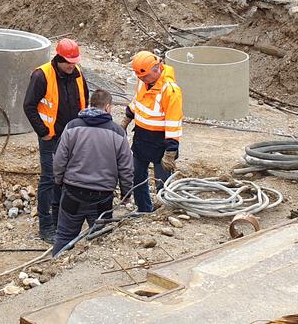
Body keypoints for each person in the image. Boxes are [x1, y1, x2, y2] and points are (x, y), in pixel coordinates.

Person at [22, 38, 89, 243]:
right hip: (51, 137)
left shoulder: (77, 74)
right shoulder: (42, 76)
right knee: (49, 179)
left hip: (72, 137)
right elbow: (29, 106)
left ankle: (61, 221)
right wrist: (43, 132)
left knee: (66, 179)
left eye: (74, 61)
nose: (72, 65)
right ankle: (46, 226)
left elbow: (85, 100)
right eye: (69, 62)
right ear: (59, 58)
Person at [52, 89, 134, 256]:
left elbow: (59, 159)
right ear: (108, 107)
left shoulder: (72, 127)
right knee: (100, 240)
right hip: (102, 197)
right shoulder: (117, 133)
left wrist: (59, 181)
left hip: (73, 193)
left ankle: (54, 274)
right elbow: (126, 167)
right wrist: (126, 194)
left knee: (64, 236)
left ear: (90, 104)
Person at [124, 50, 183, 213]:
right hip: (142, 138)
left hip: (161, 143)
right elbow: (138, 101)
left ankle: (164, 212)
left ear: (156, 69)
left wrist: (171, 150)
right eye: (139, 77)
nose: (141, 80)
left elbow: (174, 122)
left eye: (144, 76)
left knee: (162, 182)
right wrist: (127, 118)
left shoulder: (170, 90)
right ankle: (143, 209)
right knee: (137, 176)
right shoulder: (143, 80)